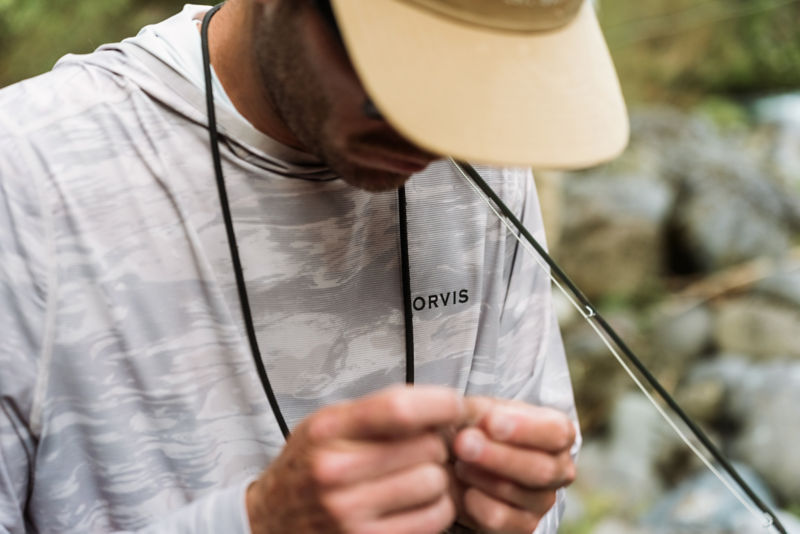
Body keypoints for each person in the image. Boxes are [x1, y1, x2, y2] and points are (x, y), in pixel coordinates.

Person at [0, 0, 628, 532]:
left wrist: (506, 507)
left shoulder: (481, 157)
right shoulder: (26, 176)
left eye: (480, 76)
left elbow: (543, 498)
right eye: (399, 66)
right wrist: (257, 521)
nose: (435, 134)